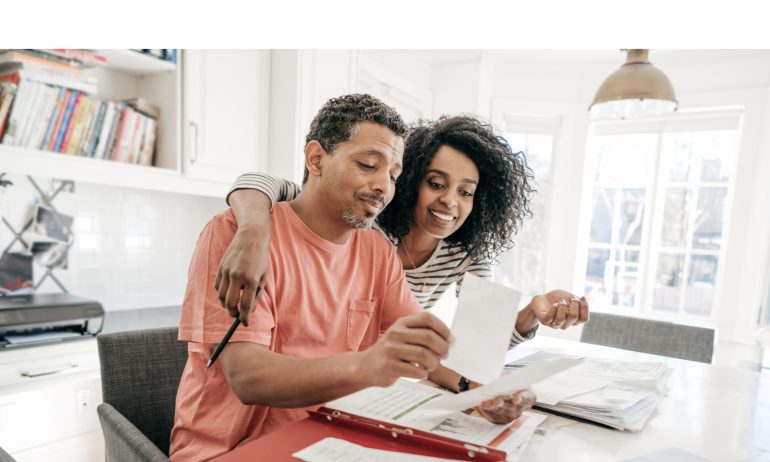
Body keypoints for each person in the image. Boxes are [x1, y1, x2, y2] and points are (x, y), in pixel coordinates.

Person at [170, 95, 534, 461]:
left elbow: (426, 350)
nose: (383, 186)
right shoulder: (237, 236)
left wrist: (485, 392)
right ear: (316, 159)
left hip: (329, 440)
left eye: (393, 175)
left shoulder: (376, 250)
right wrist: (369, 365)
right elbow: (248, 378)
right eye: (368, 165)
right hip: (230, 452)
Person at [217, 115, 589, 349]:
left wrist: (531, 313)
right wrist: (252, 231)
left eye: (466, 192)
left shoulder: (465, 252)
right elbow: (261, 182)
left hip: (388, 380)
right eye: (436, 183)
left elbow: (480, 347)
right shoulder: (365, 219)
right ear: (409, 181)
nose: (450, 201)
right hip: (333, 372)